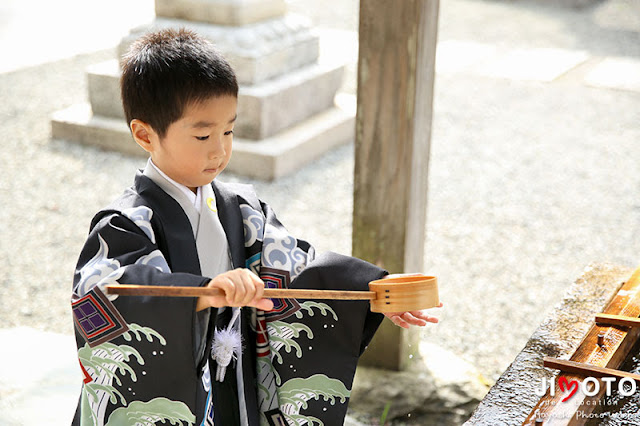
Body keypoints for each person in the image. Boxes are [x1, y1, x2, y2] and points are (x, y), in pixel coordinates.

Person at [70, 28, 441, 426]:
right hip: (177, 392)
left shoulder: (241, 208)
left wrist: (370, 291)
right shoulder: (127, 223)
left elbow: (298, 270)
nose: (220, 149)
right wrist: (202, 293)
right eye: (202, 134)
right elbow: (105, 294)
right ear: (145, 134)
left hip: (237, 384)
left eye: (228, 130)